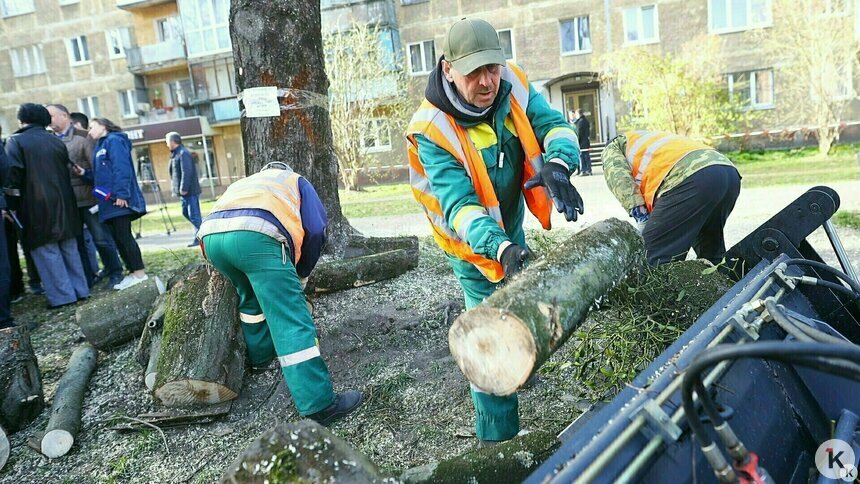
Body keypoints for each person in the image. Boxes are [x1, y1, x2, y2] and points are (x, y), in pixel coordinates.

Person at [405, 18, 584, 444]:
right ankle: (497, 438)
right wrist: (499, 248)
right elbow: (460, 208)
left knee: (520, 301)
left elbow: (552, 124)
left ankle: (521, 372)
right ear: (448, 69)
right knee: (489, 334)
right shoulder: (433, 129)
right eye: (474, 73)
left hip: (509, 224)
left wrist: (559, 163)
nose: (487, 82)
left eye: (493, 68)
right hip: (469, 243)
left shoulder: (514, 83)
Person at [197, 161, 363, 426]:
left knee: (250, 298)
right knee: (290, 316)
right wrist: (302, 273)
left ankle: (261, 357)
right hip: (256, 236)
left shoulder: (245, 182)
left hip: (211, 239)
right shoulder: (296, 182)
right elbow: (317, 229)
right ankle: (319, 404)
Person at [602, 130, 741, 265]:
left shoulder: (613, 147)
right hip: (727, 173)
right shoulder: (645, 138)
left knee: (652, 260)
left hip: (691, 177)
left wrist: (642, 219)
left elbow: (622, 183)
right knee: (711, 251)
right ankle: (727, 285)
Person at [4, 103, 89, 308]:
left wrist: (10, 206)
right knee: (69, 248)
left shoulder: (15, 141)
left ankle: (63, 297)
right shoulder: (56, 141)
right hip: (65, 203)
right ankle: (80, 290)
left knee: (47, 252)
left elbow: (12, 178)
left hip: (34, 206)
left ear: (22, 120)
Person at [47, 104, 125, 288]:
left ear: (64, 116)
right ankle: (88, 277)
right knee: (78, 242)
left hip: (89, 198)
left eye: (50, 115)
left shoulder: (84, 138)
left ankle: (115, 271)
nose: (48, 119)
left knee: (101, 239)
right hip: (67, 201)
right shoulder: (50, 140)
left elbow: (98, 169)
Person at [75, 118, 148, 290]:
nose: (89, 131)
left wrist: (122, 194)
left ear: (103, 126)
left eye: (92, 127)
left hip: (118, 200)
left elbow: (122, 168)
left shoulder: (114, 141)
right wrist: (84, 173)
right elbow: (101, 175)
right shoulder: (101, 145)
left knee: (125, 237)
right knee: (118, 239)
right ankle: (132, 273)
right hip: (107, 202)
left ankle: (140, 274)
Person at [166, 132, 202, 246]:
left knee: (194, 216)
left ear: (172, 142)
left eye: (167, 141)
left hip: (189, 191)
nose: (166, 144)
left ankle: (201, 238)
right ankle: (201, 233)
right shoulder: (176, 154)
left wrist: (183, 188)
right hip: (184, 193)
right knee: (185, 213)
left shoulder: (183, 153)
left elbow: (187, 171)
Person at [572, 109, 592, 176]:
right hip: (586, 141)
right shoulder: (586, 121)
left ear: (578, 114)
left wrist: (577, 141)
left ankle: (583, 170)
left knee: (582, 156)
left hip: (581, 142)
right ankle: (589, 170)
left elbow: (579, 133)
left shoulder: (580, 122)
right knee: (586, 156)